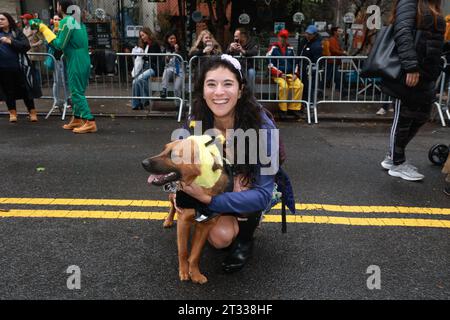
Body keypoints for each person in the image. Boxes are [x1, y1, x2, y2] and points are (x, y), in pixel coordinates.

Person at [176, 54, 278, 273]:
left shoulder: (263, 127)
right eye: (211, 84)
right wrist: (179, 185)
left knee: (244, 189)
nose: (219, 92)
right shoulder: (196, 116)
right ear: (202, 90)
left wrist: (207, 199)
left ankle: (246, 238)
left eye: (228, 84)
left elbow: (262, 193)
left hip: (247, 184)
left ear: (240, 90)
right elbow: (177, 155)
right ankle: (215, 214)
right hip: (215, 182)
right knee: (220, 239)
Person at [380, 0, 445, 181]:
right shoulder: (410, 2)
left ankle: (392, 156)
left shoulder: (432, 6)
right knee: (404, 117)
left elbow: (433, 40)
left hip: (426, 73)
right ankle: (397, 162)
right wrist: (410, 66)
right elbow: (402, 32)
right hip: (411, 71)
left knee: (421, 116)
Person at [30, 0, 97, 133]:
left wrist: (43, 29)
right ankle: (77, 118)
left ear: (61, 6)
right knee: (78, 91)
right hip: (83, 58)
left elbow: (59, 44)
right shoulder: (76, 21)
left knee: (76, 92)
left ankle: (90, 121)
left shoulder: (67, 21)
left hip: (75, 60)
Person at [0, 12, 40, 122]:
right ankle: (12, 113)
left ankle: (32, 112)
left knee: (25, 90)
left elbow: (26, 46)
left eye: (2, 19)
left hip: (20, 67)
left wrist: (10, 41)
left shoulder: (16, 32)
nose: (0, 21)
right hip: (3, 68)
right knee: (9, 91)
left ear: (9, 20)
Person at [267, 29, 303, 121]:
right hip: (278, 75)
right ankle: (282, 110)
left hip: (290, 74)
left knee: (299, 85)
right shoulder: (273, 48)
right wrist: (279, 73)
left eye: (285, 37)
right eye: (281, 37)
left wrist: (296, 73)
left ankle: (294, 108)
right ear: (278, 37)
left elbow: (295, 62)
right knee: (284, 86)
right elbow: (269, 62)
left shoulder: (290, 48)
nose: (283, 39)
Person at [129, 27, 162, 110]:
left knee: (140, 79)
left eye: (143, 35)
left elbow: (154, 58)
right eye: (141, 36)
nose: (142, 37)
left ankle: (145, 99)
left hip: (153, 68)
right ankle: (136, 104)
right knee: (134, 82)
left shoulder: (154, 44)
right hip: (146, 67)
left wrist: (143, 56)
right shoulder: (145, 45)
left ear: (148, 34)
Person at [226, 28, 258, 92]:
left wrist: (242, 51)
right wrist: (230, 49)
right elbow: (226, 55)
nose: (235, 38)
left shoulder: (251, 43)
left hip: (249, 66)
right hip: (237, 67)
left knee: (251, 73)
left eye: (236, 36)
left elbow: (254, 52)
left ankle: (250, 94)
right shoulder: (233, 44)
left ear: (243, 36)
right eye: (234, 36)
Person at [298, 25, 323, 102]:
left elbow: (317, 59)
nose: (307, 35)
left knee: (310, 87)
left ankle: (310, 103)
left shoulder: (316, 45)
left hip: (310, 69)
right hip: (303, 67)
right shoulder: (304, 41)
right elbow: (300, 52)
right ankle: (305, 102)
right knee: (304, 86)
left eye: (310, 34)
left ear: (314, 35)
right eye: (307, 33)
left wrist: (314, 69)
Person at [160, 31, 184, 100]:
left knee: (176, 88)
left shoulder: (180, 46)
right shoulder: (165, 48)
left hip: (179, 70)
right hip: (170, 69)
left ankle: (178, 105)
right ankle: (164, 90)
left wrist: (177, 51)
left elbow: (184, 58)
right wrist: (167, 59)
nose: (172, 40)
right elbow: (162, 62)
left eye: (174, 38)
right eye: (170, 38)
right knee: (167, 71)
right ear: (167, 40)